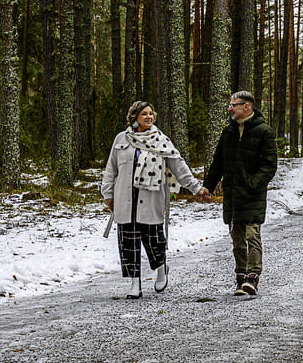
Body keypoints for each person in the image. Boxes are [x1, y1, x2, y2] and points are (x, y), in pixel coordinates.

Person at [102, 101, 210, 298]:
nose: (149, 117)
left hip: (151, 199)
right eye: (144, 114)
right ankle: (135, 284)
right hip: (125, 199)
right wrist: (108, 194)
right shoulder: (121, 139)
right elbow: (111, 169)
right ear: (134, 118)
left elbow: (179, 166)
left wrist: (196, 188)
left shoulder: (161, 141)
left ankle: (160, 267)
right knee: (128, 241)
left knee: (154, 240)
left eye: (151, 113)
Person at [198, 91, 278, 296]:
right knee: (237, 238)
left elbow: (269, 165)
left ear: (247, 107)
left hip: (253, 195)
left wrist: (253, 184)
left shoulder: (264, 132)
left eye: (234, 105)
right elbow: (218, 163)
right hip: (232, 196)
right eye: (230, 105)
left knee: (253, 235)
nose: (230, 108)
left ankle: (253, 277)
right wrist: (208, 186)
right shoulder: (228, 133)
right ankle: (240, 276)